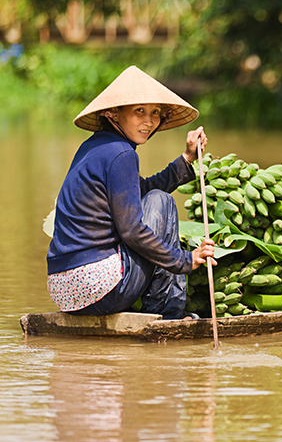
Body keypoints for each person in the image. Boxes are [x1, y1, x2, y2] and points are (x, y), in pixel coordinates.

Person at [46, 65, 217, 320]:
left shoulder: (94, 146)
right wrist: (184, 260)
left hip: (64, 290)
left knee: (154, 197)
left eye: (155, 113)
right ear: (113, 113)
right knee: (162, 201)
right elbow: (132, 231)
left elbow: (138, 192)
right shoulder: (122, 153)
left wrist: (186, 159)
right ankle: (167, 311)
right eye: (139, 111)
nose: (149, 122)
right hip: (97, 288)